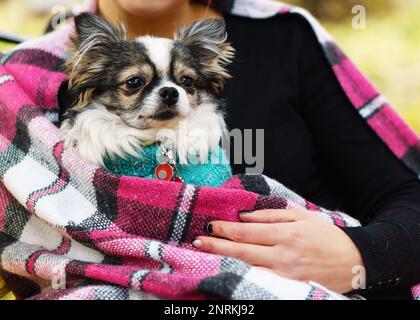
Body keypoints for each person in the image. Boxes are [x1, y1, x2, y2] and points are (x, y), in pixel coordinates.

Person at [59, 0, 420, 299]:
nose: (169, 92)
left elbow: (407, 193)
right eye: (135, 83)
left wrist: (359, 256)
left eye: (184, 81)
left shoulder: (285, 37)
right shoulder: (27, 72)